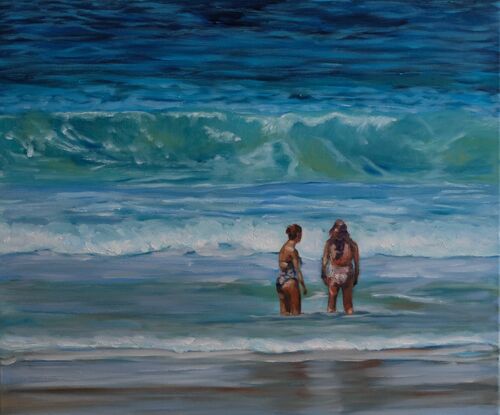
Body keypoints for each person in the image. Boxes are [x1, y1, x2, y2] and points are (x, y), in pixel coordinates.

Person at [321, 219, 359, 314]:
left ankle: (342, 321)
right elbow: (324, 260)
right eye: (338, 233)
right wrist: (323, 274)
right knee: (337, 303)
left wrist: (356, 276)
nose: (339, 235)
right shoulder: (330, 244)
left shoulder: (351, 245)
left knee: (344, 304)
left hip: (344, 273)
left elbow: (356, 263)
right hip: (336, 272)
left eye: (341, 232)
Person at [276, 224, 307, 315]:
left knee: (285, 315)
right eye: (301, 234)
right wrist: (303, 286)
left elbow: (282, 265)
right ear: (298, 234)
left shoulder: (283, 247)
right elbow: (297, 271)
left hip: (280, 282)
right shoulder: (293, 250)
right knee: (296, 315)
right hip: (290, 283)